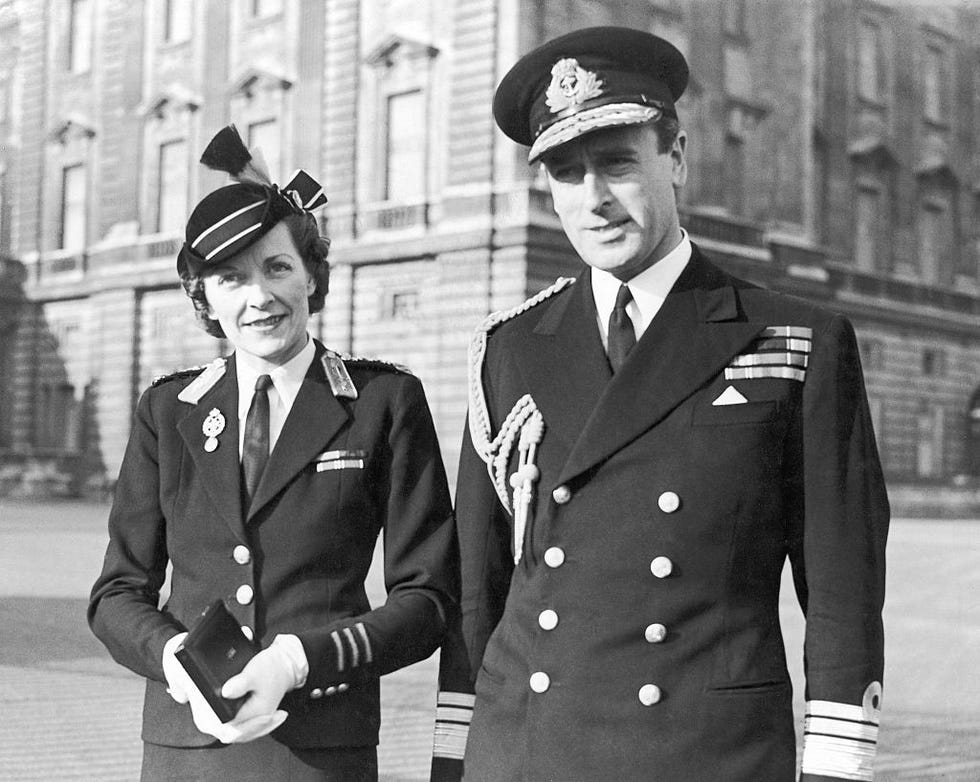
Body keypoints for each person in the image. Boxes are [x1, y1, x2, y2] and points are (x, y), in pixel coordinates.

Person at [430, 27, 889, 782]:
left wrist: (837, 766)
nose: (594, 200)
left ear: (675, 156)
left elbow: (840, 592)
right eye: (566, 174)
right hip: (526, 750)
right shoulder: (509, 348)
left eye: (617, 163)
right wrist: (455, 759)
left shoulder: (795, 338)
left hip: (706, 755)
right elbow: (477, 593)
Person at [89, 125, 457, 781]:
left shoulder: (382, 402)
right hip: (185, 747)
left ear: (312, 277)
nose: (258, 297)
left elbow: (428, 600)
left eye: (277, 268)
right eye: (230, 278)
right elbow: (117, 592)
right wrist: (172, 658)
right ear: (205, 299)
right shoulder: (168, 412)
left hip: (319, 747)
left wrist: (298, 660)